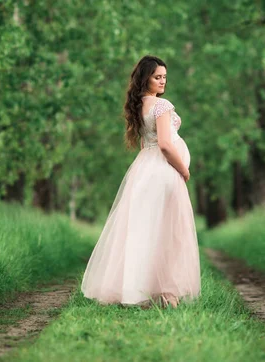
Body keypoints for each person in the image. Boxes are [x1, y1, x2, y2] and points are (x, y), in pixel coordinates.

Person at [81, 55, 201, 308]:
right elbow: (167, 145)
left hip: (144, 170)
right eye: (157, 77)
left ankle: (142, 289)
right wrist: (184, 170)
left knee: (146, 230)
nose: (162, 81)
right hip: (163, 170)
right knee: (168, 231)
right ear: (145, 78)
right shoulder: (161, 106)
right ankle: (167, 293)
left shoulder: (139, 104)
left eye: (165, 77)